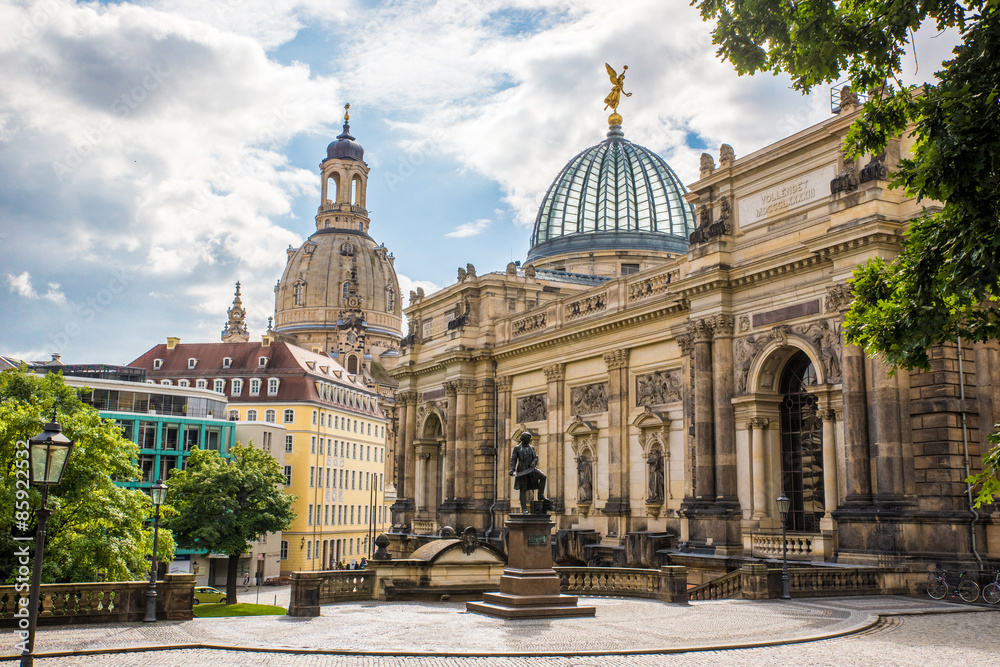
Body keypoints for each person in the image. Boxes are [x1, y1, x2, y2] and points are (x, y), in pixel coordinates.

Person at [509, 432, 547, 512]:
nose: (529, 440)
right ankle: (524, 508)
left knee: (543, 477)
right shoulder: (517, 448)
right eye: (528, 439)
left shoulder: (531, 447)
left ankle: (540, 495)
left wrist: (534, 462)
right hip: (522, 470)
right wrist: (512, 469)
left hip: (531, 469)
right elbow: (513, 459)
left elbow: (536, 457)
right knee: (523, 489)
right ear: (524, 439)